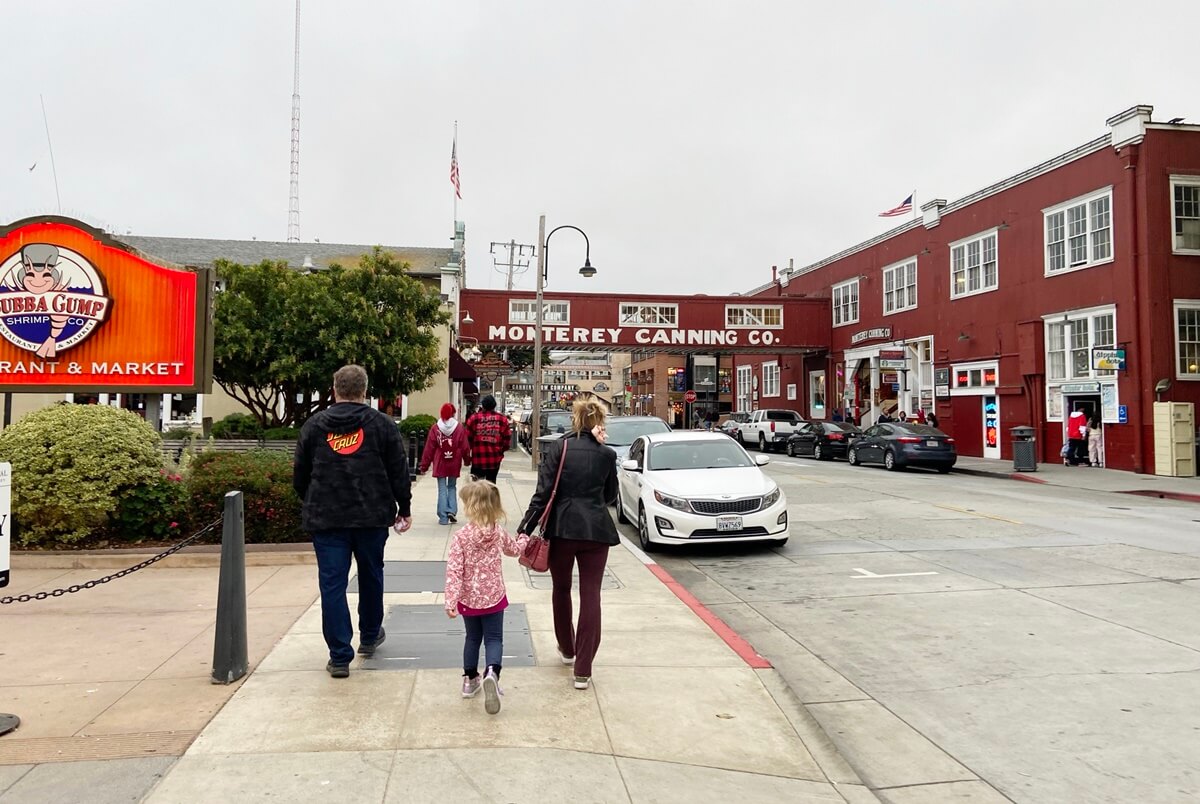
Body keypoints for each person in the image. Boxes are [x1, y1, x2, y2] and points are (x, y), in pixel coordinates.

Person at [293, 364, 412, 678]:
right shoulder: (383, 425)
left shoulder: (314, 426)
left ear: (334, 389)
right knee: (371, 574)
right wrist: (404, 506)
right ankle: (370, 634)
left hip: (326, 517)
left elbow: (299, 475)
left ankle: (339, 655)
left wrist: (312, 499)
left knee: (332, 584)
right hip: (371, 516)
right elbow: (399, 470)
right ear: (365, 390)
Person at [518, 398, 618, 691]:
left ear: (575, 419)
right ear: (599, 422)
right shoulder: (607, 454)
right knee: (591, 595)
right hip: (596, 531)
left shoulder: (559, 448)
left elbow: (543, 493)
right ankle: (583, 669)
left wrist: (525, 527)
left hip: (562, 529)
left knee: (561, 589)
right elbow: (610, 495)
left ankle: (567, 648)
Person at [444, 480, 528, 715]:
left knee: (472, 638)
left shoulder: (461, 537)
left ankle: (470, 679)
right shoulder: (498, 532)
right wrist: (524, 539)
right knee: (494, 639)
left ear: (470, 507)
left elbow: (454, 570)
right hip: (493, 596)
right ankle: (492, 672)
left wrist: (451, 600)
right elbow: (514, 550)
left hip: (469, 598)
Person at [420, 403, 472, 525]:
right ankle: (452, 511)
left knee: (442, 488)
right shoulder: (459, 428)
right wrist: (467, 460)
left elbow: (429, 448)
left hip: (440, 461)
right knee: (452, 486)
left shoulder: (435, 428)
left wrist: (424, 465)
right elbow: (465, 446)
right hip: (454, 460)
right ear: (453, 413)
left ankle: (443, 517)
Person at [465, 395, 512, 484]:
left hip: (477, 460)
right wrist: (501, 451)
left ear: (482, 406)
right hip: (494, 460)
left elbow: (468, 440)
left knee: (476, 488)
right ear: (494, 406)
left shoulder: (473, 418)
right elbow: (507, 440)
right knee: (491, 485)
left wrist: (468, 456)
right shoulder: (502, 419)